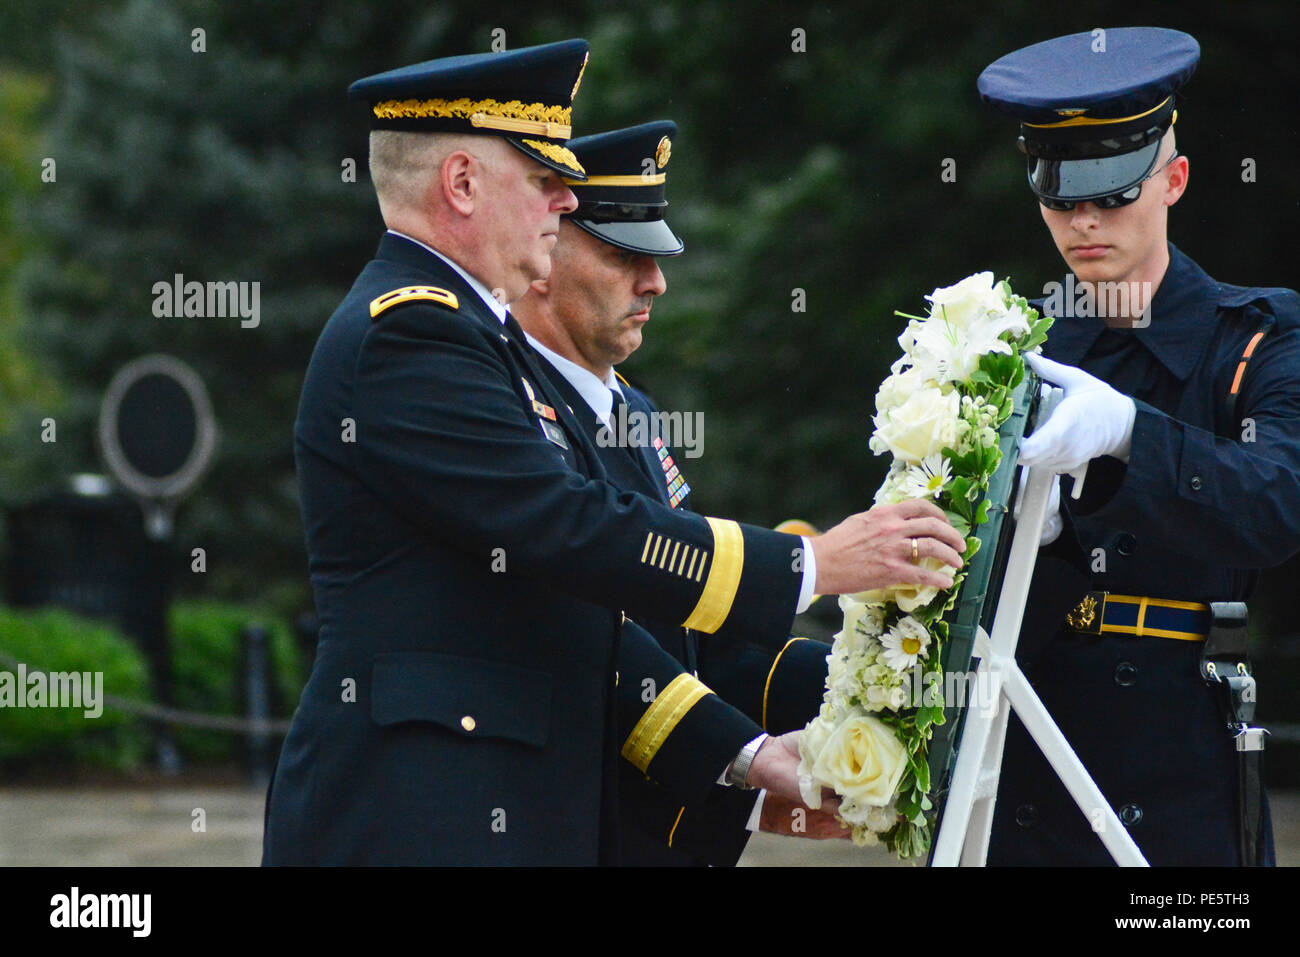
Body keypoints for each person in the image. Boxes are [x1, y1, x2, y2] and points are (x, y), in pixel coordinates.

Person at [262, 39, 967, 865]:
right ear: (460, 184)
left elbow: (587, 612)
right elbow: (568, 525)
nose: (563, 203)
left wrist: (755, 754)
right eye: (541, 179)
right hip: (421, 816)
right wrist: (813, 563)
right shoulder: (412, 332)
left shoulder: (464, 336)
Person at [976, 27, 1300, 865]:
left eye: (1114, 195)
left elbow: (1277, 503)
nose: (1083, 222)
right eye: (1060, 198)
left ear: (1174, 180)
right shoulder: (1014, 356)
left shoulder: (1256, 341)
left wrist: (1131, 435)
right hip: (1026, 765)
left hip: (1176, 769)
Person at [513, 121, 837, 864]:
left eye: (654, 258)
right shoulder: (506, 411)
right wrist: (753, 761)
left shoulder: (633, 410)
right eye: (626, 255)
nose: (655, 282)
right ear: (541, 253)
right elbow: (592, 636)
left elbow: (697, 631)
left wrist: (866, 684)